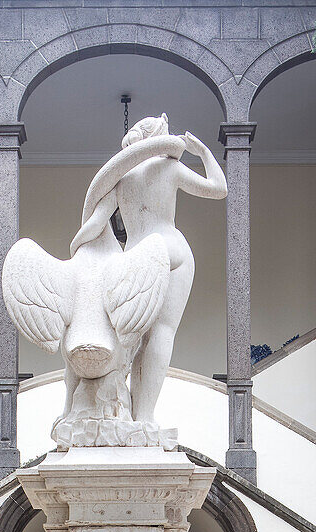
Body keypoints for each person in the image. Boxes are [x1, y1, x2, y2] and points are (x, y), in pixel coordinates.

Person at [70, 114, 227, 428]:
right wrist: (203, 152)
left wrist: (79, 253)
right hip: (171, 250)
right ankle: (146, 417)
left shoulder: (121, 179)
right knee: (161, 333)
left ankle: (120, 411)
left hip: (134, 256)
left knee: (132, 337)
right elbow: (218, 188)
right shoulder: (167, 168)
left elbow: (95, 224)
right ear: (158, 136)